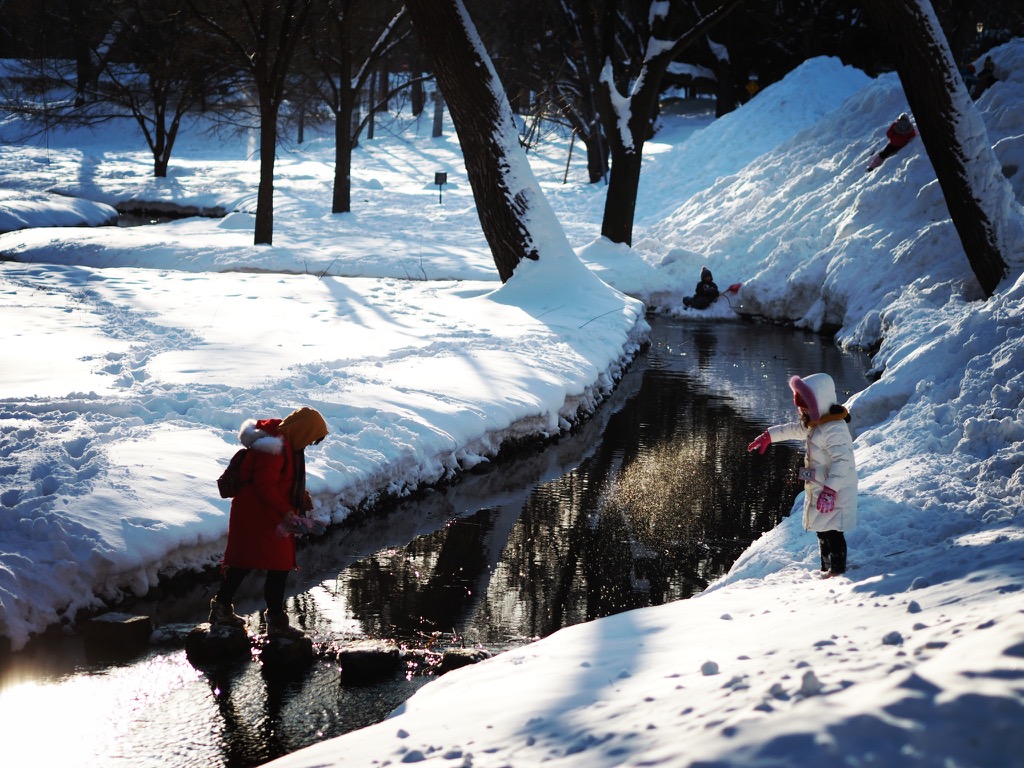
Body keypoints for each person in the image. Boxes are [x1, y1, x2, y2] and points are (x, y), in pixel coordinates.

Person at [209, 406, 329, 637]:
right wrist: (286, 512)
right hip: (258, 515)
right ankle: (274, 622)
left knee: (250, 562)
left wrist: (299, 498)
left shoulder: (286, 442)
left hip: (266, 514)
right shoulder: (272, 449)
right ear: (302, 431)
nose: (309, 445)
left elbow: (281, 481)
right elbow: (265, 485)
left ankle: (223, 609)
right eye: (310, 439)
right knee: (274, 566)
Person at [746, 373, 857, 577]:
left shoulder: (834, 428)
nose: (801, 411)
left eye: (805, 405)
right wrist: (769, 436)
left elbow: (843, 463)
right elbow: (793, 429)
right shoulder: (815, 424)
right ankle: (826, 568)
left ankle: (837, 571)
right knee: (822, 529)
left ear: (819, 401)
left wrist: (831, 490)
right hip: (821, 488)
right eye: (800, 407)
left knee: (833, 531)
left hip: (836, 490)